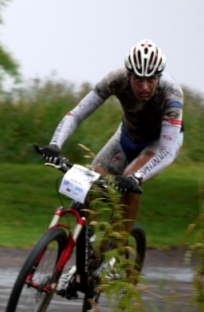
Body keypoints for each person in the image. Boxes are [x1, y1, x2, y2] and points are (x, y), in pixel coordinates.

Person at [41, 39, 184, 238]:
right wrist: (55, 144)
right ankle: (89, 240)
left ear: (159, 77)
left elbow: (167, 150)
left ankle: (118, 244)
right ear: (128, 75)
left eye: (151, 80)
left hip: (159, 142)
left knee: (129, 183)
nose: (144, 87)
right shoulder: (115, 79)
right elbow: (76, 114)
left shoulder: (171, 93)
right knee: (90, 184)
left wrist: (137, 177)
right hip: (127, 135)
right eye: (138, 79)